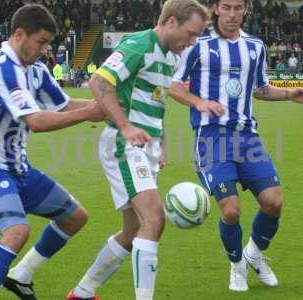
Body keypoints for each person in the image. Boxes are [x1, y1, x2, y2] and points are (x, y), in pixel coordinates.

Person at [169, 0, 303, 293]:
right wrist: (199, 102)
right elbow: (173, 86)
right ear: (216, 8)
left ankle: (254, 254)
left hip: (247, 136)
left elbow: (261, 88)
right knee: (231, 210)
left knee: (273, 202)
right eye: (227, 7)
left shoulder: (255, 46)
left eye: (238, 7)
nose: (232, 14)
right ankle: (237, 265)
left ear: (246, 9)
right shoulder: (197, 45)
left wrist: (290, 94)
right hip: (211, 136)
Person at [65, 1, 208, 299]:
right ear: (170, 22)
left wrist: (162, 144)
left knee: (133, 232)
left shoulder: (170, 57)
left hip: (147, 147)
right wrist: (127, 128)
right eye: (191, 33)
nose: (193, 41)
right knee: (154, 219)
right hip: (124, 143)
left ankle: (82, 292)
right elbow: (99, 81)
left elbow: (156, 104)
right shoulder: (139, 44)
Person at [0, 4, 104, 300]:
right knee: (17, 231)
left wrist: (106, 107)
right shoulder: (2, 69)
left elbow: (64, 105)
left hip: (19, 169)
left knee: (75, 217)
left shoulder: (35, 70)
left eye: (47, 43)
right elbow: (37, 122)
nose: (44, 50)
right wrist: (91, 112)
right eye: (41, 42)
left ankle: (22, 275)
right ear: (19, 35)